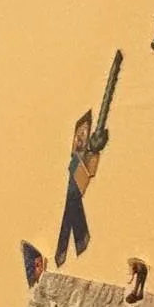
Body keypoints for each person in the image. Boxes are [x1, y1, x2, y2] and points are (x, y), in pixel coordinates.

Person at [55, 111, 101, 266]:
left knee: (72, 202)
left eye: (83, 134)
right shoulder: (76, 159)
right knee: (72, 201)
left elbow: (90, 168)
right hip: (77, 167)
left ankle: (72, 248)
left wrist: (94, 152)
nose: (80, 138)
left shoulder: (81, 159)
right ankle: (78, 243)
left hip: (80, 167)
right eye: (79, 135)